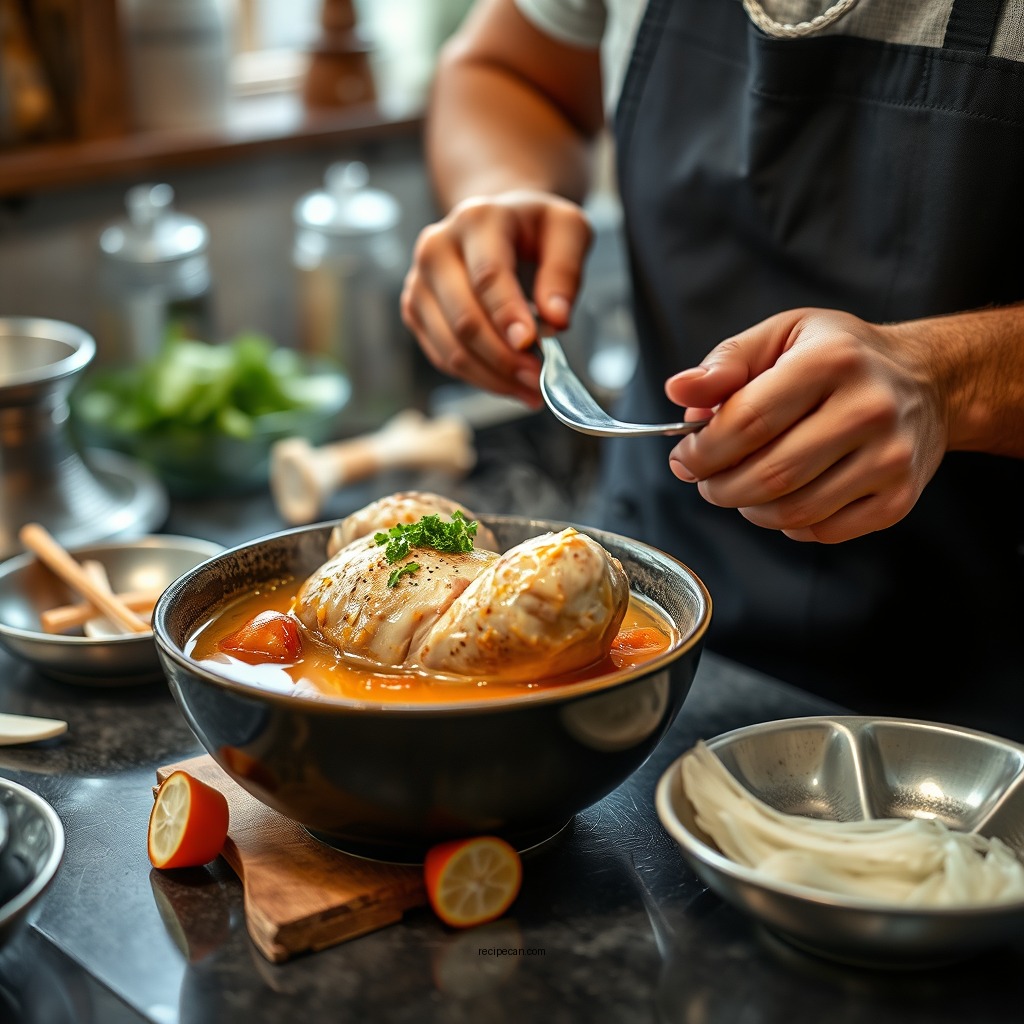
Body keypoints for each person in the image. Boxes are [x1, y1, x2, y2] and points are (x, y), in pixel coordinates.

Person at [400, 0, 1024, 740]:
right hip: (637, 635)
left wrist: (950, 380)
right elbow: (507, 71)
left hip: (987, 675)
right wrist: (497, 193)